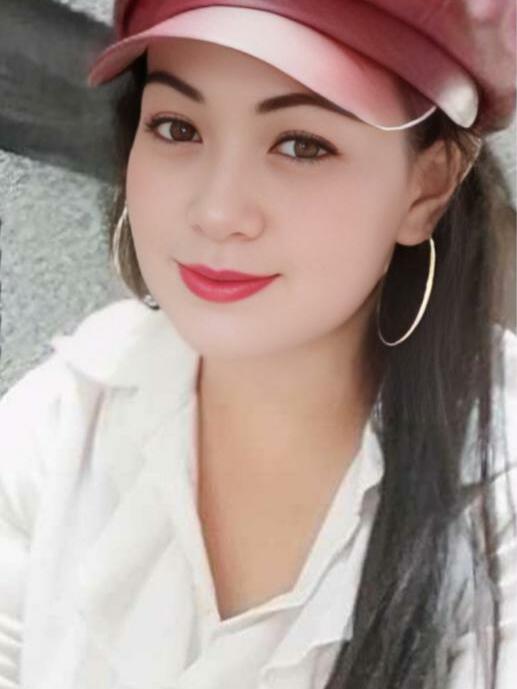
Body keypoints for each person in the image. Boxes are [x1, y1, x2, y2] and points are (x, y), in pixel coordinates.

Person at [1, 1, 516, 688]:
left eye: (301, 145)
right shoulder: (62, 420)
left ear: (427, 186)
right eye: (177, 128)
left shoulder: (498, 487)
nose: (217, 212)